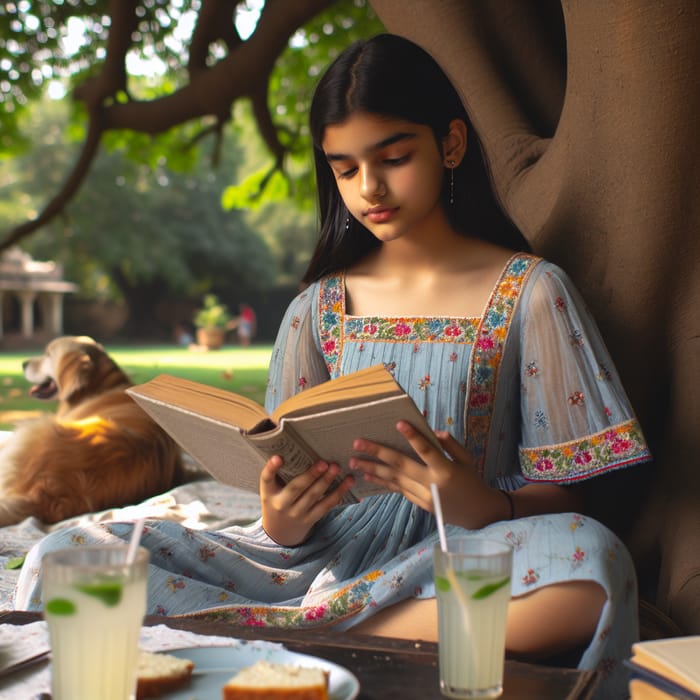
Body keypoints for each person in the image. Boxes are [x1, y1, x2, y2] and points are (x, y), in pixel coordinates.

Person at [15, 34, 650, 697]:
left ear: (452, 144)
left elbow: (575, 488)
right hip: (315, 557)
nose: (370, 188)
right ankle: (313, 623)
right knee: (63, 557)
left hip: (463, 553)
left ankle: (293, 634)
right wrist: (283, 519)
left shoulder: (530, 292)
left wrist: (486, 504)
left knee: (594, 568)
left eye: (395, 158)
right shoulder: (317, 307)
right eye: (345, 169)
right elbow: (280, 480)